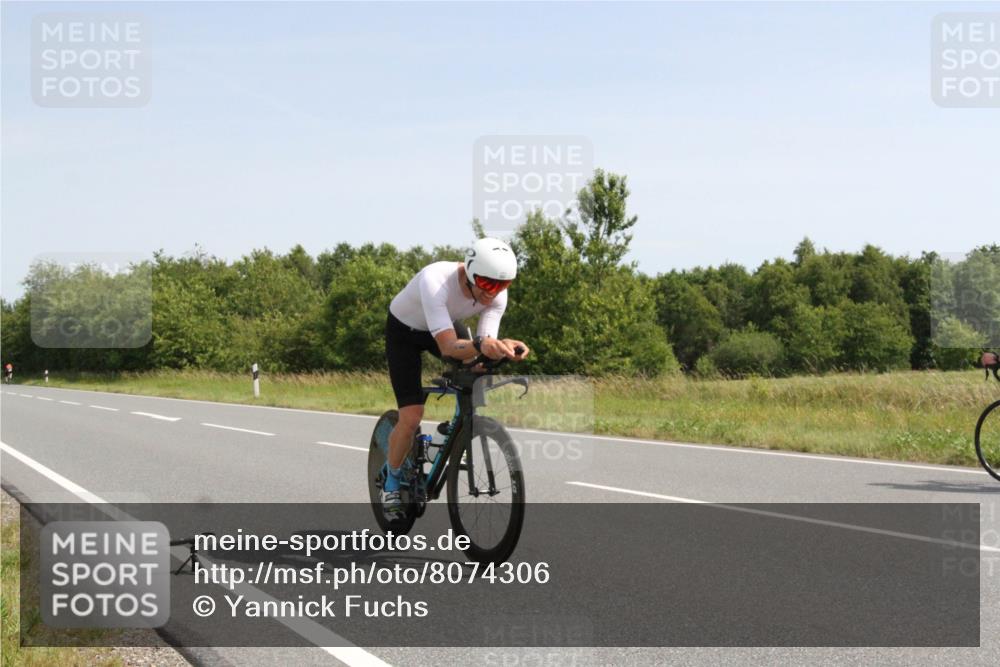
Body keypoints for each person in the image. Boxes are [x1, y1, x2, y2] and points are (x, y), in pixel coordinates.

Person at [382, 237, 530, 519]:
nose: (493, 293)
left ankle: (453, 432)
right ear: (471, 272)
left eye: (503, 285)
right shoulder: (435, 279)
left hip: (442, 325)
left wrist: (504, 349)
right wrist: (482, 345)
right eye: (487, 284)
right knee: (411, 416)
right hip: (405, 332)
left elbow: (484, 343)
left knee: (478, 366)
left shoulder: (496, 293)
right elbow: (449, 347)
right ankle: (391, 480)